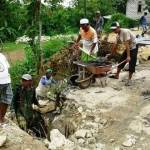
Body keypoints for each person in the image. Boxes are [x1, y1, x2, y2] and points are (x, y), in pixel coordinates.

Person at [107, 22, 138, 86]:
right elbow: (115, 45)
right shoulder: (118, 34)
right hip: (128, 48)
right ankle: (117, 75)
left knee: (132, 63)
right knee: (121, 60)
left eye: (115, 29)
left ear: (119, 27)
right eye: (112, 29)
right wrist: (111, 54)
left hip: (133, 47)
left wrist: (128, 56)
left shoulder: (125, 32)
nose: (113, 31)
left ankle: (129, 80)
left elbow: (127, 45)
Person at [0, 53, 13, 124]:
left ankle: (1, 118)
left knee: (7, 98)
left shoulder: (2, 55)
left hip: (6, 81)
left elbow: (7, 67)